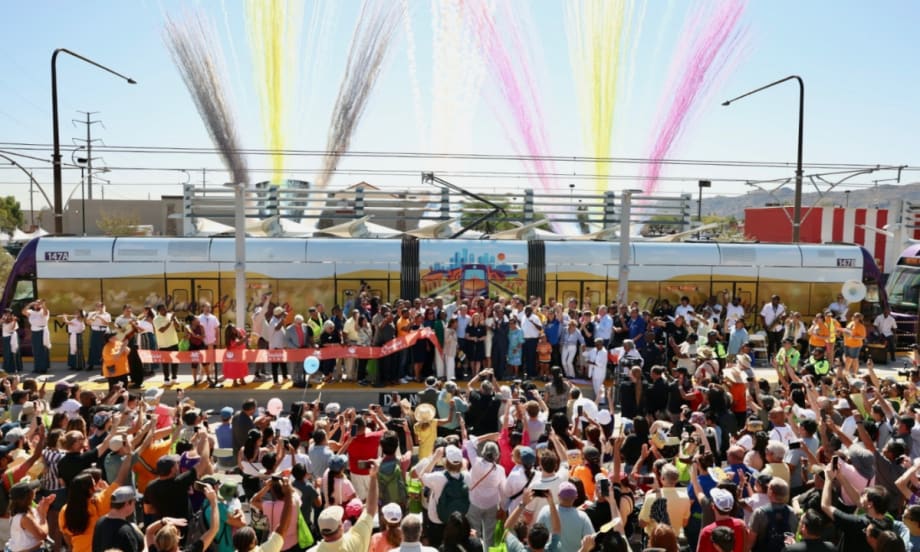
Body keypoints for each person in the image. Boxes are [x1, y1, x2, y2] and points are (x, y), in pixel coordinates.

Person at [311, 458, 379, 551]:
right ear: (341, 526)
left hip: (327, 507)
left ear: (322, 532)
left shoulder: (326, 474)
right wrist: (373, 476)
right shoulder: (355, 540)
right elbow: (369, 508)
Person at [92, 486, 145, 552]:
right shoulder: (126, 531)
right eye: (135, 502)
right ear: (128, 503)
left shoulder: (99, 522)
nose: (135, 505)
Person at [6, 480, 53, 552]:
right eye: (33, 489)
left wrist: (42, 507)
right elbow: (42, 535)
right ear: (28, 496)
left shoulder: (22, 510)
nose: (35, 490)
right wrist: (43, 514)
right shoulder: (24, 518)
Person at [22, 299, 50, 374]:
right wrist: (30, 304)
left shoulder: (43, 310)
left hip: (42, 332)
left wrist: (43, 304)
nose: (37, 305)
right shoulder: (31, 312)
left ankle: (43, 368)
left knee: (42, 350)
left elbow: (45, 313)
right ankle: (37, 367)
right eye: (36, 304)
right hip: (34, 332)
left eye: (38, 304)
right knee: (36, 351)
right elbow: (23, 312)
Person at [86, 302, 112, 372]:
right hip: (95, 331)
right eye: (98, 306)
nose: (99, 308)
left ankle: (104, 363)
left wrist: (99, 317)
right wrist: (93, 317)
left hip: (104, 332)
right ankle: (91, 364)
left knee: (104, 348)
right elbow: (88, 322)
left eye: (101, 306)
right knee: (93, 347)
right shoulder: (92, 313)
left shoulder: (107, 314)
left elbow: (107, 323)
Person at [760, 295, 786, 359]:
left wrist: (781, 321)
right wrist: (765, 325)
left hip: (779, 328)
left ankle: (779, 358)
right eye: (773, 299)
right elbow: (762, 316)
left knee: (779, 343)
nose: (774, 301)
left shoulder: (781, 307)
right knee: (771, 343)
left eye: (776, 300)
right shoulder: (767, 306)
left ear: (778, 301)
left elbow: (784, 316)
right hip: (770, 327)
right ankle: (770, 358)